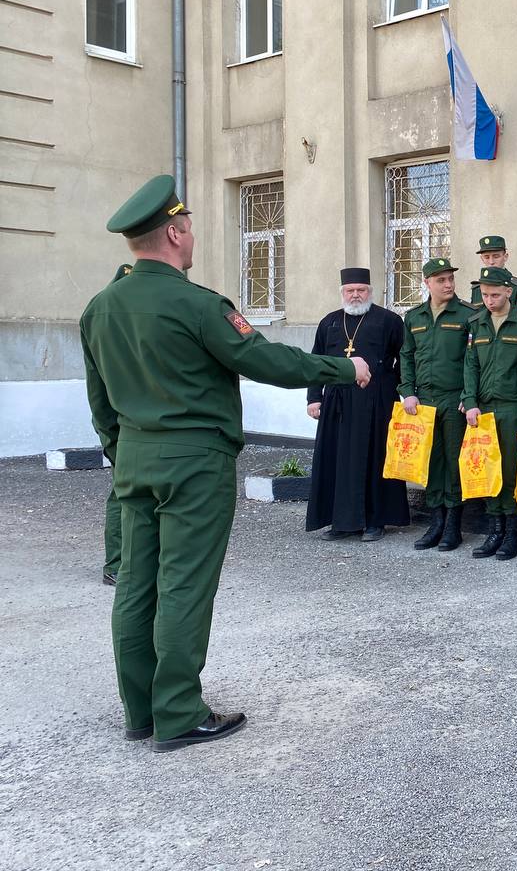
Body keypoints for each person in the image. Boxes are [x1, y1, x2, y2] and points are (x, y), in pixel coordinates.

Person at [81, 174, 369, 751]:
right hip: (194, 461)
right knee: (185, 584)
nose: (191, 238)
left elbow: (100, 401)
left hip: (135, 459)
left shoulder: (100, 308)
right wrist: (344, 370)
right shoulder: (197, 304)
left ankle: (141, 710)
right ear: (175, 232)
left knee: (137, 583)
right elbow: (263, 359)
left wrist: (124, 451)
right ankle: (180, 713)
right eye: (187, 229)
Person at [305, 268, 410, 542]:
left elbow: (405, 358)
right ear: (342, 293)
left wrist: (392, 387)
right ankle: (342, 522)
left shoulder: (388, 320)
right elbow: (315, 361)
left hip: (377, 403)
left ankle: (376, 521)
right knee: (338, 462)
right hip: (337, 403)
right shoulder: (329, 322)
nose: (355, 295)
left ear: (370, 292)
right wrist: (314, 397)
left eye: (360, 290)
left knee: (375, 460)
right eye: (350, 290)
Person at [399, 256, 475, 552]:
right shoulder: (414, 317)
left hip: (454, 398)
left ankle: (454, 525)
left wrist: (467, 397)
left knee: (455, 463)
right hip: (424, 401)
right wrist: (408, 392)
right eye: (441, 280)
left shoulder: (467, 314)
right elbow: (406, 355)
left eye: (451, 279)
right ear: (427, 283)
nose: (448, 284)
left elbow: (473, 359)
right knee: (431, 462)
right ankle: (436, 522)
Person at [463, 266, 517, 561]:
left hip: (511, 407)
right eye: (484, 295)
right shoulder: (477, 323)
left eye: (495, 294)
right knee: (486, 469)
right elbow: (470, 366)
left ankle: (512, 534)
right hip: (484, 409)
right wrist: (470, 401)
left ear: (509, 291)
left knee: (509, 473)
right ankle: (495, 529)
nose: (489, 300)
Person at [100, 262, 132, 587]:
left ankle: (123, 562)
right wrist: (112, 443)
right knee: (120, 498)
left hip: (128, 429)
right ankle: (115, 563)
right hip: (125, 428)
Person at [469, 235, 517, 309]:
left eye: (496, 256)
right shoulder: (477, 289)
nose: (491, 262)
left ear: (505, 257)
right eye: (487, 257)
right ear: (482, 259)